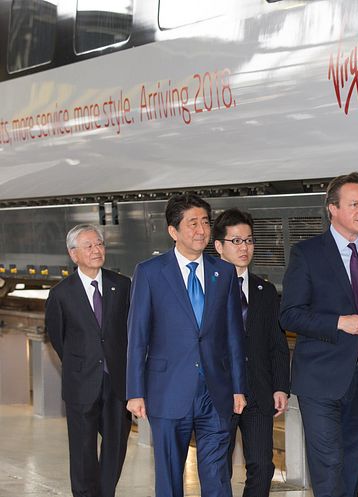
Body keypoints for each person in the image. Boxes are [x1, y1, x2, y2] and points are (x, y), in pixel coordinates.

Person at [280, 172, 358, 497]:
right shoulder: (308, 254)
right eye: (353, 204)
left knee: (351, 466)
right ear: (332, 209)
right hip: (320, 380)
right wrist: (338, 322)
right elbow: (290, 314)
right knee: (329, 465)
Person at [126, 193, 247, 497]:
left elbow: (233, 334)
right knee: (169, 478)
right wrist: (135, 392)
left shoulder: (224, 272)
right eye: (192, 223)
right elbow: (137, 336)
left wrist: (237, 387)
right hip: (167, 390)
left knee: (218, 476)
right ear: (173, 231)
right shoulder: (150, 272)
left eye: (205, 222)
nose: (201, 230)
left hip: (215, 392)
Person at [45, 224, 132, 497]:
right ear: (74, 254)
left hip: (117, 382)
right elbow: (58, 339)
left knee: (116, 447)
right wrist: (82, 363)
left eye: (99, 244)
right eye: (89, 246)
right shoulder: (61, 293)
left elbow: (130, 332)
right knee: (83, 451)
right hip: (81, 383)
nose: (96, 250)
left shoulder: (122, 285)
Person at [213, 208, 290, 497]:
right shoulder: (204, 288)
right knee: (219, 467)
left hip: (258, 392)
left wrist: (281, 386)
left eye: (248, 240)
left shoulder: (265, 290)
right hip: (219, 393)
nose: (244, 247)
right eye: (236, 241)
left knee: (262, 465)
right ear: (219, 246)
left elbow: (277, 343)